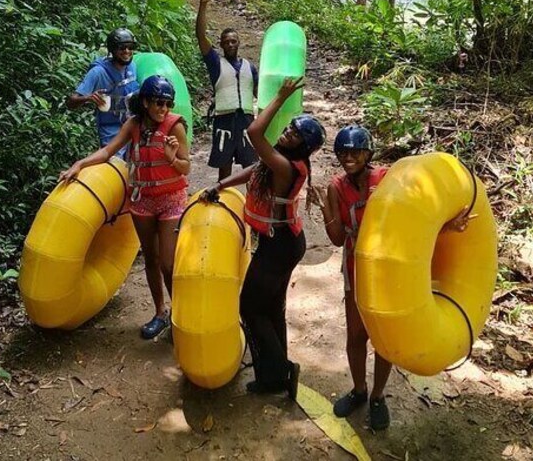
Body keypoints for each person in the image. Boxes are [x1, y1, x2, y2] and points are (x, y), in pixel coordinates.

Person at [308, 125, 475, 430]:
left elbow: (415, 219)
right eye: (343, 153)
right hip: (355, 268)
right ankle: (358, 390)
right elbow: (334, 238)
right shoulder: (336, 187)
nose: (349, 158)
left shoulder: (384, 179)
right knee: (356, 335)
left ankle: (377, 395)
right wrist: (325, 207)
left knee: (386, 338)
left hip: (389, 270)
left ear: (367, 153)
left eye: (356, 152)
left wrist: (450, 226)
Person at [202, 77, 325, 401]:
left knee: (250, 307)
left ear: (303, 146)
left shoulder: (285, 165)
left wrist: (281, 98)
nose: (287, 134)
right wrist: (221, 185)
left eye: (295, 134)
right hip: (282, 242)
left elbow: (254, 133)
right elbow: (254, 171)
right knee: (271, 308)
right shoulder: (277, 161)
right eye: (290, 129)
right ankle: (274, 376)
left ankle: (280, 370)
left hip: (279, 246)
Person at [60, 76, 190, 339]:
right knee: (150, 259)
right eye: (158, 103)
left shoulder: (175, 126)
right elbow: (109, 151)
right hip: (143, 199)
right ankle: (160, 313)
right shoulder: (134, 125)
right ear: (145, 102)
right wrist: (80, 165)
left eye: (167, 103)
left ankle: (181, 315)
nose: (163, 108)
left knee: (167, 262)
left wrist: (171, 158)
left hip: (170, 199)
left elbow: (186, 166)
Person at [196, 0, 259, 181]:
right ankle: (222, 201)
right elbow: (200, 36)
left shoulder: (250, 68)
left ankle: (253, 203)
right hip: (224, 120)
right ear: (221, 45)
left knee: (252, 168)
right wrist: (203, 4)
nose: (230, 44)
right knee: (224, 166)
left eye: (233, 41)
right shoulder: (216, 64)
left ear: (238, 43)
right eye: (226, 42)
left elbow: (260, 95)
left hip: (246, 121)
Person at [66, 28, 140, 154]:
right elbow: (71, 102)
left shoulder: (132, 66)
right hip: (111, 129)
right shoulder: (98, 72)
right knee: (115, 162)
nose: (127, 51)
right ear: (113, 49)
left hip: (133, 123)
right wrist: (88, 98)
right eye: (122, 48)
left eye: (130, 47)